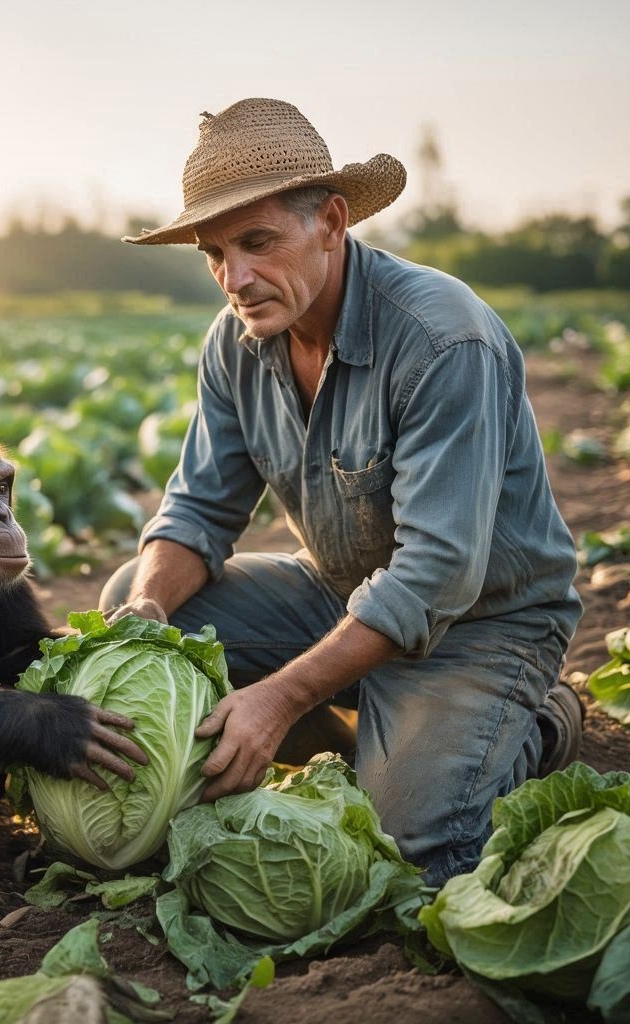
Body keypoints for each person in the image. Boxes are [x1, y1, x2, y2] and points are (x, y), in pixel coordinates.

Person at [100, 97, 584, 885]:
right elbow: (197, 512)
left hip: (482, 620)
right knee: (144, 601)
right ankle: (374, 742)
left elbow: (435, 577)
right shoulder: (238, 343)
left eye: (257, 242)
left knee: (416, 850)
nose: (236, 278)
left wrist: (279, 697)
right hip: (341, 592)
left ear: (330, 221)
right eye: (215, 254)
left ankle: (538, 725)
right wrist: (148, 615)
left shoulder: (440, 338)